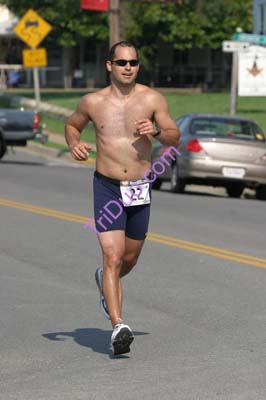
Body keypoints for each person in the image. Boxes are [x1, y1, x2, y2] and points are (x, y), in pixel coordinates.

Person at [65, 41, 180, 356]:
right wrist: (74, 143)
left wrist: (155, 132)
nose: (128, 67)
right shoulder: (93, 101)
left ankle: (105, 280)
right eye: (121, 62)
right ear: (109, 66)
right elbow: (72, 126)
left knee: (129, 258)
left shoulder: (152, 99)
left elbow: (174, 135)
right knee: (113, 256)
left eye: (133, 62)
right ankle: (118, 325)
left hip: (139, 187)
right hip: (107, 186)